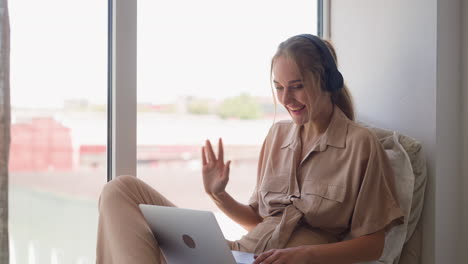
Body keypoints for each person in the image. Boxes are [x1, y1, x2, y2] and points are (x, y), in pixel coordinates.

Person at [96, 34, 404, 264]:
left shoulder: (360, 145)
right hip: (239, 255)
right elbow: (258, 220)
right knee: (121, 190)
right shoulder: (277, 137)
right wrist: (218, 194)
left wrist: (307, 255)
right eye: (279, 87)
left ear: (326, 80)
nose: (287, 99)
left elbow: (374, 244)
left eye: (296, 86)